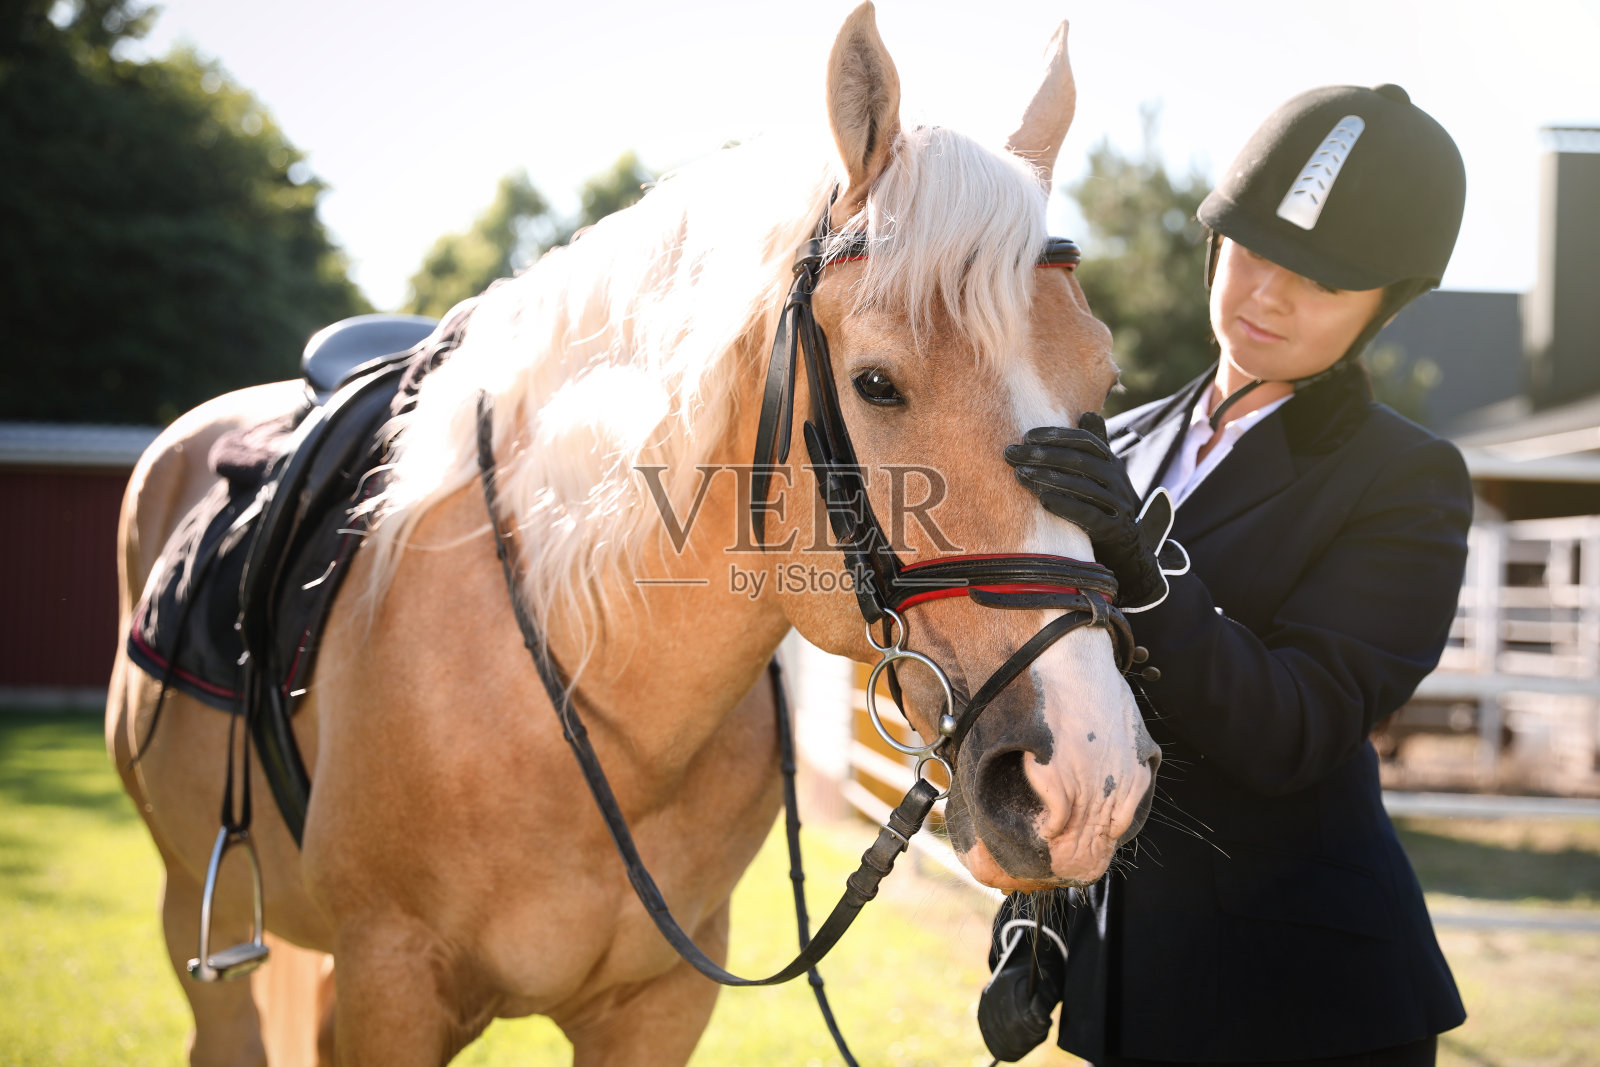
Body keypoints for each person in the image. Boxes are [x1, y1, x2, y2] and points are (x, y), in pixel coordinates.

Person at [977, 83, 1471, 1066]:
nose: (1265, 295)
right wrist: (1035, 913)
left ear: (1388, 302)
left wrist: (1143, 566)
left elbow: (1292, 727)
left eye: (1321, 282)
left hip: (1302, 1005)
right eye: (1252, 250)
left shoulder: (1406, 479)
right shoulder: (1116, 439)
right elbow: (1057, 697)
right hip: (1125, 983)